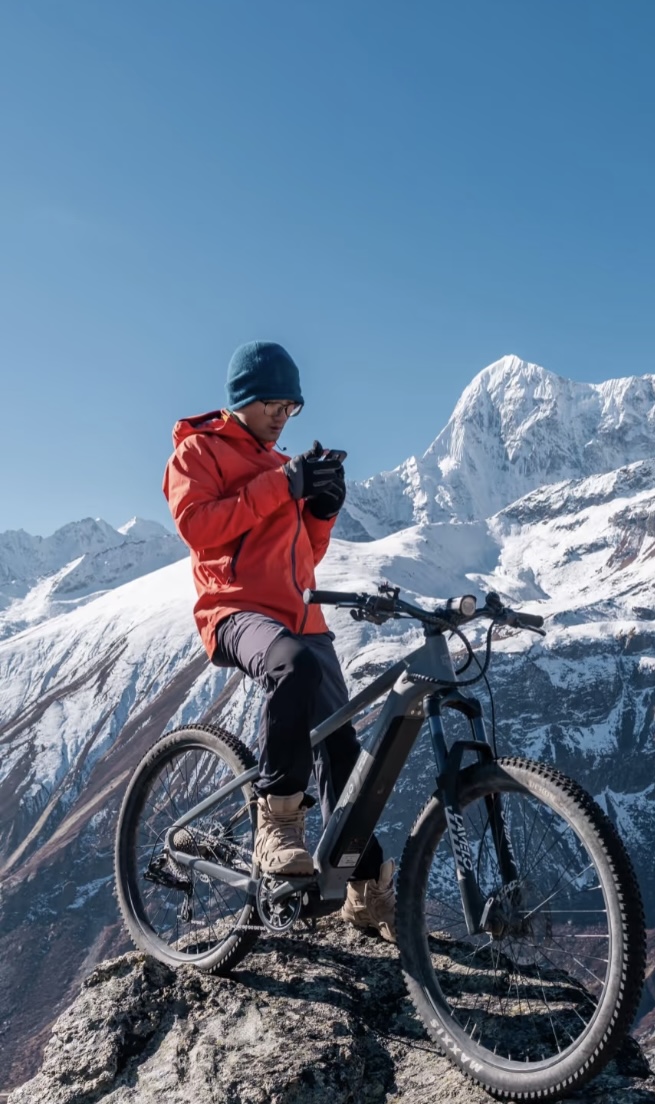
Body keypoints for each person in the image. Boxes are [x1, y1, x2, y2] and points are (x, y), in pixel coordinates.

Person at [162, 340, 395, 942]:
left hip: (302, 617)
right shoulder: (198, 451)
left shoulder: (281, 465)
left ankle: (364, 885)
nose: (281, 416)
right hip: (235, 610)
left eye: (290, 406)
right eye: (272, 403)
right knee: (291, 667)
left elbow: (304, 558)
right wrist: (282, 488)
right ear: (242, 397)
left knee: (342, 745)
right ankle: (278, 825)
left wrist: (321, 508)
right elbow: (201, 530)